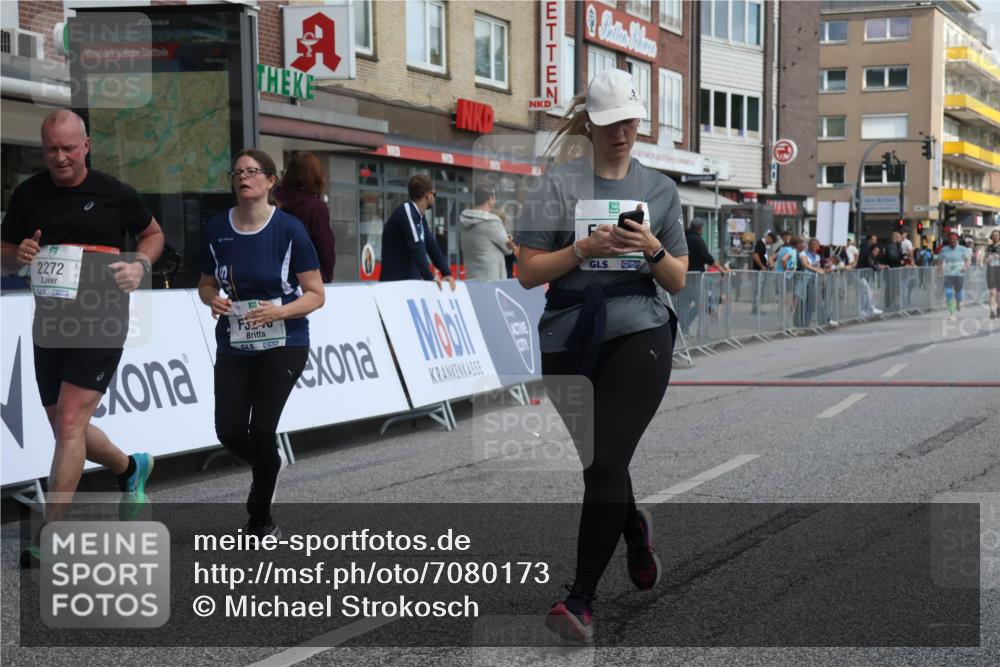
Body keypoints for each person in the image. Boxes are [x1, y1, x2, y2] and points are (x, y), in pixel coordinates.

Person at [514, 68, 688, 643]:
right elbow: (527, 272)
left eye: (630, 122)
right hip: (568, 334)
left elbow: (679, 279)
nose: (621, 132)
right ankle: (634, 533)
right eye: (610, 122)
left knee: (607, 460)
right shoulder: (556, 185)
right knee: (601, 462)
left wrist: (651, 246)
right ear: (589, 122)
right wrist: (580, 249)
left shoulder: (661, 190)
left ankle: (580, 600)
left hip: (641, 329)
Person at [0, 110, 164, 567]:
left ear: (86, 146)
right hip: (50, 322)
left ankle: (50, 534)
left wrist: (139, 265)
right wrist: (19, 254)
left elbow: (153, 234)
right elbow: (4, 254)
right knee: (63, 426)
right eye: (51, 149)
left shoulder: (113, 193)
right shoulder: (28, 195)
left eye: (68, 148)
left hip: (101, 319)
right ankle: (131, 468)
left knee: (70, 423)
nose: (60, 157)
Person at [197, 149, 325, 538]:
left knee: (262, 430)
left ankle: (260, 519)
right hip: (235, 343)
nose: (244, 178)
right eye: (237, 172)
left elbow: (315, 294)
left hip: (284, 342)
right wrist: (211, 298)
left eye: (253, 172)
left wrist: (279, 311)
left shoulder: (289, 230)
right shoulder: (217, 227)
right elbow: (205, 283)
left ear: (271, 181)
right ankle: (269, 464)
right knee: (229, 431)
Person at [379, 173, 456, 290]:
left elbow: (431, 244)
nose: (434, 197)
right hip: (395, 286)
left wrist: (446, 273)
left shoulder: (419, 216)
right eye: (434, 194)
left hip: (408, 283)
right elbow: (416, 245)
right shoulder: (407, 211)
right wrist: (430, 277)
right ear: (429, 195)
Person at [275, 151, 336, 282]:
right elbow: (325, 244)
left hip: (275, 273)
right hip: (306, 277)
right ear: (316, 176)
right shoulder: (315, 207)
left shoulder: (273, 201)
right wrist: (325, 275)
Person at [459, 183, 514, 280]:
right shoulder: (492, 222)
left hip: (472, 278)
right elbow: (508, 249)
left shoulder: (464, 219)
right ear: (491, 198)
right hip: (492, 281)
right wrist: (510, 239)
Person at [934, 231, 972, 320]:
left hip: (959, 274)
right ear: (948, 239)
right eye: (950, 239)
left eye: (954, 239)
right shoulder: (944, 249)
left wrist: (965, 267)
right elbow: (940, 262)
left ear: (957, 239)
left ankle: (958, 302)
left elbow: (967, 260)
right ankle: (952, 313)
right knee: (948, 293)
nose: (952, 240)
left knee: (958, 294)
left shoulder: (962, 249)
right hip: (948, 274)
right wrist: (939, 272)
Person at [986, 229, 1000, 319]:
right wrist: (986, 259)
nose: (995, 237)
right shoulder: (989, 247)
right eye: (993, 235)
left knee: (998, 293)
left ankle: (998, 309)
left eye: (997, 235)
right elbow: (984, 258)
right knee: (992, 292)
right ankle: (992, 311)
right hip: (991, 270)